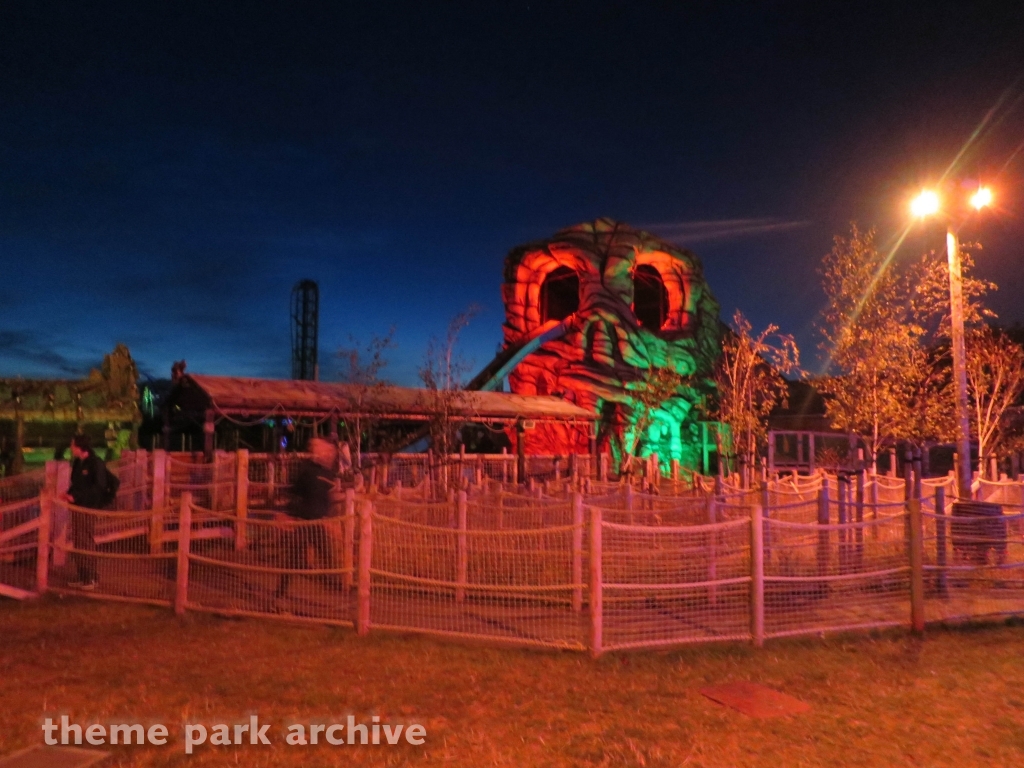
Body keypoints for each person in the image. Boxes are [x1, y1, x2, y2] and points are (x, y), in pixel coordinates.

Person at [274, 438, 339, 605]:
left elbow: (327, 500)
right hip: (302, 522)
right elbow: (294, 493)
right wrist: (286, 514)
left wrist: (329, 520)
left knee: (328, 558)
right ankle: (279, 595)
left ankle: (341, 593)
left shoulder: (329, 474)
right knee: (293, 560)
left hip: (317, 524)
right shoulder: (306, 470)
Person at [64, 434, 110, 590]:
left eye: (73, 445)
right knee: (78, 541)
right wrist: (68, 494)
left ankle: (92, 577)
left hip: (88, 507)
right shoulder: (78, 463)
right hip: (76, 506)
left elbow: (98, 487)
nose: (71, 448)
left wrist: (77, 495)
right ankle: (82, 576)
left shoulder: (95, 463)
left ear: (79, 447)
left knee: (86, 541)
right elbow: (75, 483)